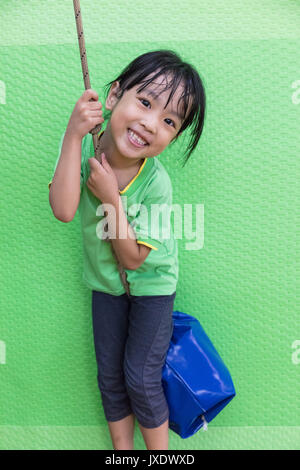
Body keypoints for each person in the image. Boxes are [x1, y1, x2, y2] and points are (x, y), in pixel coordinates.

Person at [48, 49, 206, 450]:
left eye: (169, 121)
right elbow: (64, 210)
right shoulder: (89, 156)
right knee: (111, 377)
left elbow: (135, 258)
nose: (150, 124)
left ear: (174, 137)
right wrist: (73, 134)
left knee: (139, 376)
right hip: (106, 286)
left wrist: (110, 198)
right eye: (146, 102)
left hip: (152, 288)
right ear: (114, 95)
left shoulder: (156, 183)